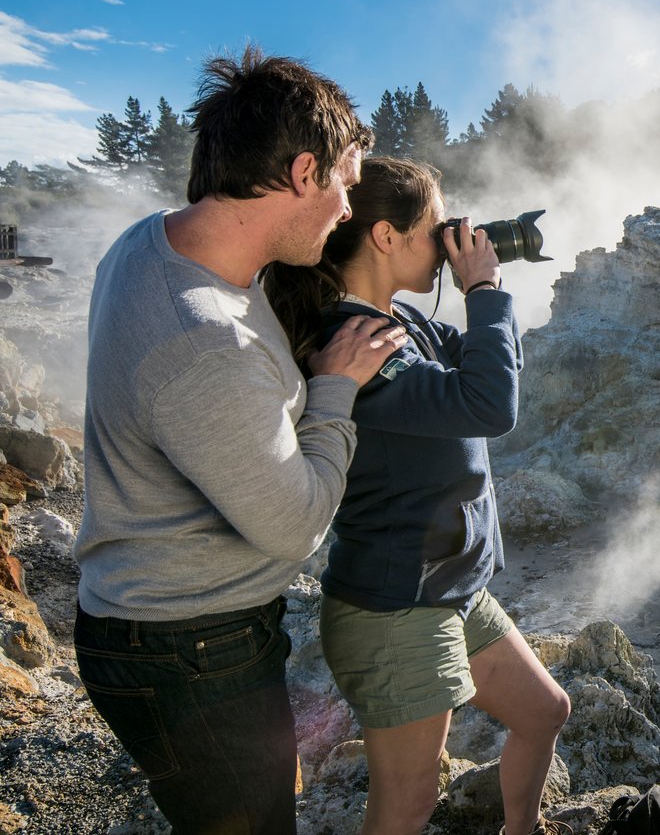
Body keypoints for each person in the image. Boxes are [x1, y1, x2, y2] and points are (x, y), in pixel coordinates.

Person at [74, 47, 409, 835]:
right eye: (344, 185)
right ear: (302, 173)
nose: (346, 212)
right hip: (188, 648)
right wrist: (335, 387)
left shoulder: (155, 240)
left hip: (157, 627)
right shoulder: (204, 346)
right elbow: (295, 525)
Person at [262, 156, 571, 835]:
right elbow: (489, 404)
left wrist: (485, 286)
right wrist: (484, 287)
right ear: (385, 236)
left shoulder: (403, 322)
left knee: (546, 711)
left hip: (452, 590)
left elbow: (493, 362)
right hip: (398, 608)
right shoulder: (358, 342)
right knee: (405, 807)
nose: (446, 238)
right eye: (436, 226)